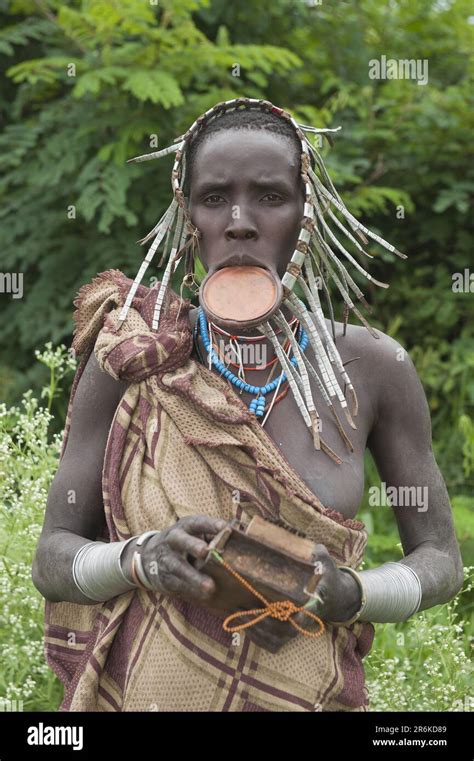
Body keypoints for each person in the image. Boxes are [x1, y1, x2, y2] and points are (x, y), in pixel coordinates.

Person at [32, 98, 463, 712]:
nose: (239, 222)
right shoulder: (133, 360)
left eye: (268, 195)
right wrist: (139, 558)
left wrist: (350, 594)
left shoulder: (372, 370)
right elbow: (52, 559)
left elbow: (442, 561)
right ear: (188, 219)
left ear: (305, 214)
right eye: (214, 198)